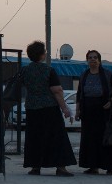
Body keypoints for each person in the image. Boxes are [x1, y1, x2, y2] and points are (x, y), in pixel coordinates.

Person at [20, 40, 77, 176]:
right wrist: (65, 108)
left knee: (35, 137)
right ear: (41, 55)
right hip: (49, 108)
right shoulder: (48, 70)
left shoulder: (25, 70)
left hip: (32, 108)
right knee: (56, 137)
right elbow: (56, 90)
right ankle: (60, 167)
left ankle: (35, 167)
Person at [74, 49, 112, 175]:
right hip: (88, 111)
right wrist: (78, 110)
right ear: (87, 60)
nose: (93, 59)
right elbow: (80, 93)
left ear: (99, 60)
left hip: (104, 111)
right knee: (90, 139)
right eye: (90, 57)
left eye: (95, 57)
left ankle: (109, 166)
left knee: (107, 138)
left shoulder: (108, 74)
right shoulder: (84, 75)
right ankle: (93, 166)